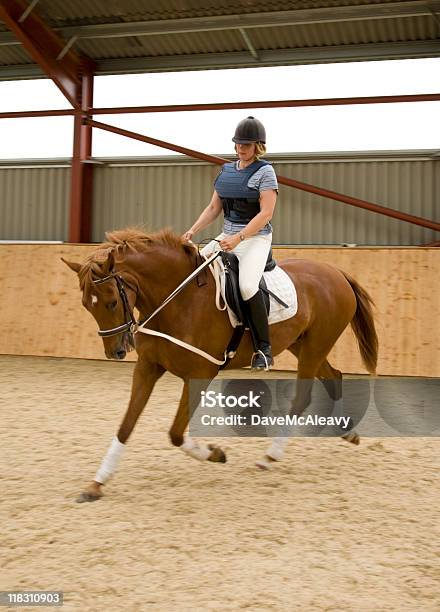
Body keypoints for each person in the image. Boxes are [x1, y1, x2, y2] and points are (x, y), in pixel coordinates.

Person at [183, 116, 278, 370]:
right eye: (238, 143)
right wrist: (193, 229)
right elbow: (214, 207)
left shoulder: (265, 172)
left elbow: (266, 213)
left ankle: (264, 349)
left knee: (247, 286)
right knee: (195, 272)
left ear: (258, 145)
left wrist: (239, 237)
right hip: (226, 237)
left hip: (255, 239)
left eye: (246, 144)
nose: (241, 148)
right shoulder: (225, 171)